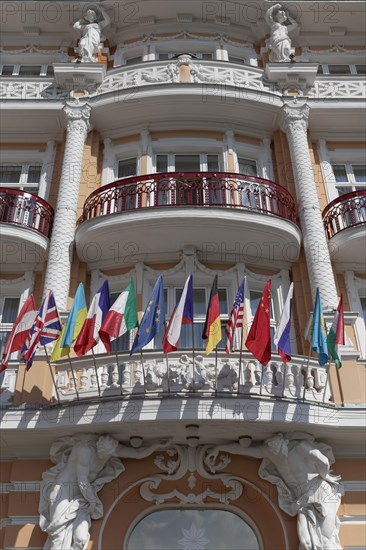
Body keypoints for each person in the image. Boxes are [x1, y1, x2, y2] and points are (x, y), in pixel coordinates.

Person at [206, 432, 343, 550]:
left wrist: (324, 476)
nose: (278, 455)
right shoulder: (270, 452)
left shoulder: (300, 447)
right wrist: (219, 448)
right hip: (302, 499)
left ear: (285, 444)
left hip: (320, 491)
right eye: (274, 452)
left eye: (280, 450)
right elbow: (241, 450)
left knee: (327, 538)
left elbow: (323, 461)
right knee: (306, 541)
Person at [39, 434, 169, 550]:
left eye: (106, 454)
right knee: (58, 535)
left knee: (81, 539)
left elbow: (138, 453)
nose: (103, 456)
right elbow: (82, 481)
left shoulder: (112, 450)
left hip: (83, 497)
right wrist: (93, 502)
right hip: (63, 492)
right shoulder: (84, 450)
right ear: (97, 446)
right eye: (101, 452)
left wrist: (156, 445)